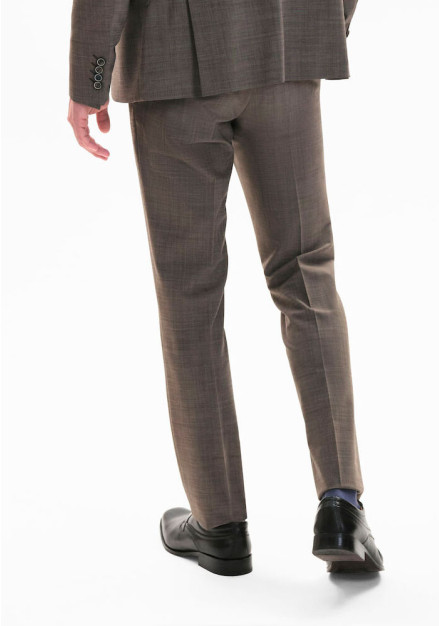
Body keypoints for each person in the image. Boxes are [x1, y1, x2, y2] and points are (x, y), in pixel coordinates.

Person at [67, 0, 384, 576]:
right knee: (306, 272)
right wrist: (325, 20)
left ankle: (219, 525)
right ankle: (341, 505)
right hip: (286, 44)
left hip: (172, 64)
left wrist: (89, 76)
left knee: (189, 291)